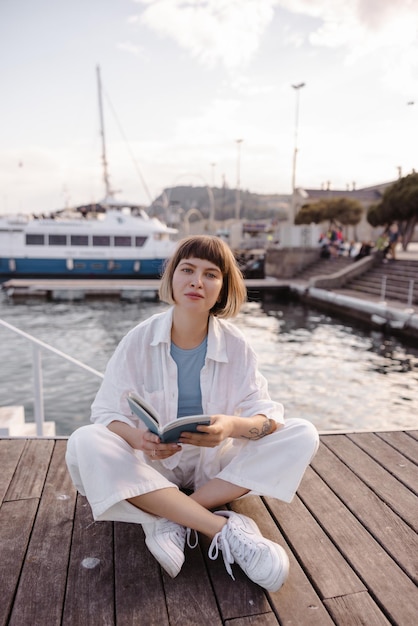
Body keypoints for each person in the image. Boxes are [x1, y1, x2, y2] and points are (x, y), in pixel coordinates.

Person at [66, 235, 319, 592]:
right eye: (187, 269)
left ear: (222, 288)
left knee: (303, 433)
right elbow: (106, 412)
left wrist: (232, 426)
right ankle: (223, 531)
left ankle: (171, 518)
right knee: (84, 441)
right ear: (172, 277)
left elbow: (266, 416)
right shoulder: (138, 339)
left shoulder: (236, 345)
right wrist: (140, 439)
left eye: (210, 274)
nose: (197, 281)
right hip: (152, 465)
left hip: (214, 469)